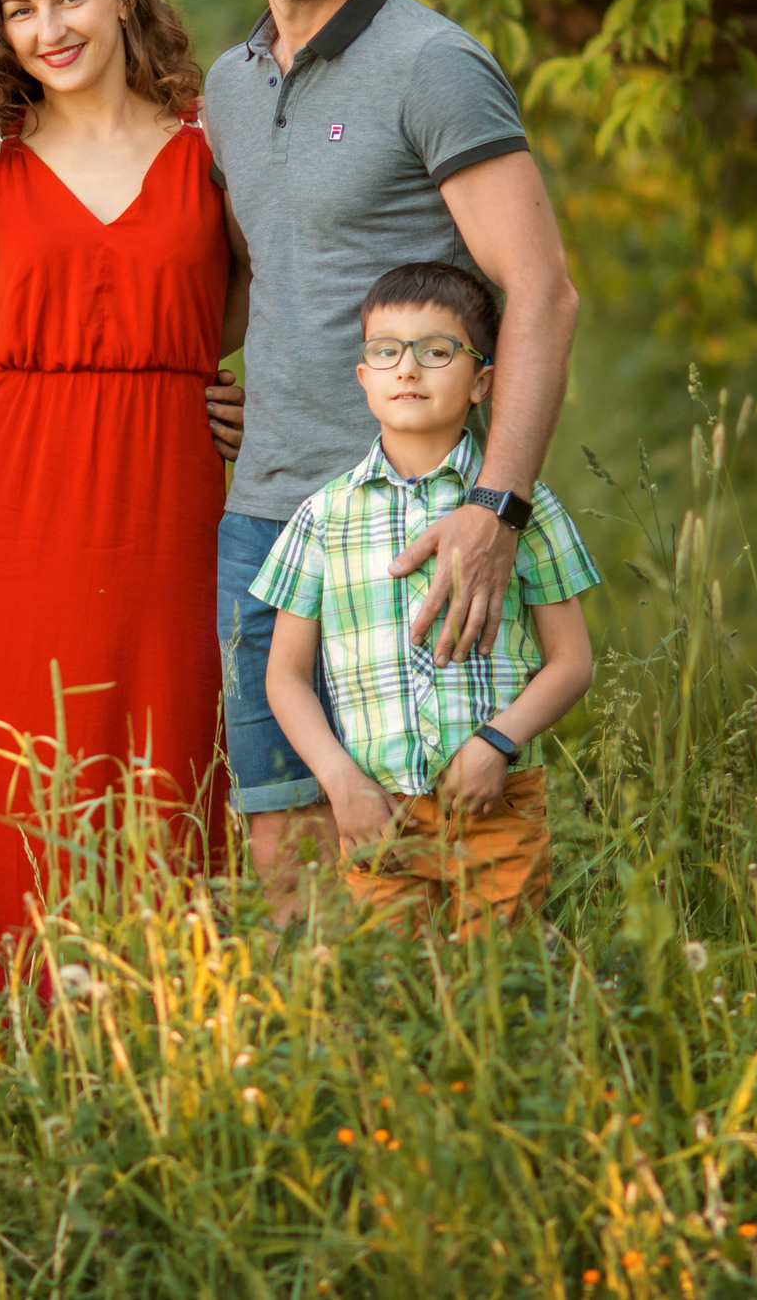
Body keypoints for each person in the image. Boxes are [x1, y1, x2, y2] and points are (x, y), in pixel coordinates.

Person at [206, 0, 582, 923]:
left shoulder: (432, 64)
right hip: (266, 521)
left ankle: (448, 1082)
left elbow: (544, 294)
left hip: (413, 526)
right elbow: (264, 275)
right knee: (283, 845)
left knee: (439, 852)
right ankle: (326, 1090)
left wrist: (496, 509)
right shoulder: (229, 85)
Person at [0, 0, 244, 984]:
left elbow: (269, 290)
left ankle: (165, 1017)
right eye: (19, 11)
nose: (49, 28)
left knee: (167, 747)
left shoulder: (216, 135)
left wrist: (243, 388)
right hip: (11, 496)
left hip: (170, 483)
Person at [251, 263, 596, 936]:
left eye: (436, 351)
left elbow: (573, 660)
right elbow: (285, 675)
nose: (407, 369)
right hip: (377, 810)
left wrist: (499, 740)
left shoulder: (521, 512)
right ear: (363, 376)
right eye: (386, 351)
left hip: (495, 801)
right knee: (390, 1001)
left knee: (502, 992)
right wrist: (341, 781)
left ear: (482, 382)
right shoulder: (323, 516)